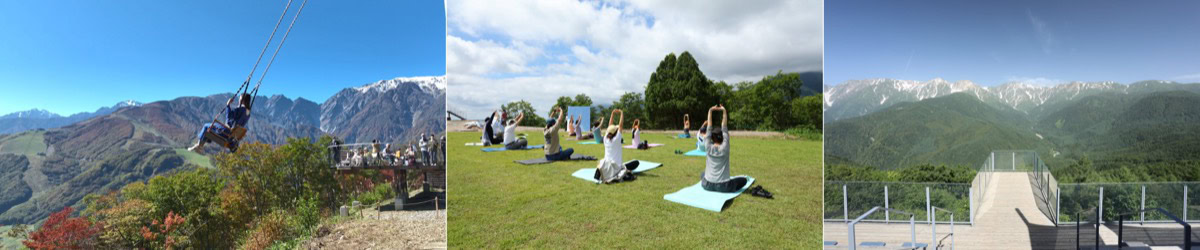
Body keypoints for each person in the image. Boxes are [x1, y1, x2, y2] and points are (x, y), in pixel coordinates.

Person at [700, 105, 747, 192]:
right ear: (723, 137)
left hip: (707, 184)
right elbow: (724, 127)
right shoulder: (725, 147)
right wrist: (724, 111)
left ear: (711, 138)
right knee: (744, 180)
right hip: (724, 186)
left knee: (703, 174)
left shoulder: (708, 146)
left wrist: (710, 110)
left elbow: (709, 127)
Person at [594, 109, 639, 183]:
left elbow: (609, 125)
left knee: (604, 162)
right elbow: (620, 125)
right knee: (636, 162)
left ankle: (601, 172)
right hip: (616, 168)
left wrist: (612, 114)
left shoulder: (605, 138)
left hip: (607, 166)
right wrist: (621, 113)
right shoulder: (617, 139)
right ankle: (619, 173)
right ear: (615, 132)